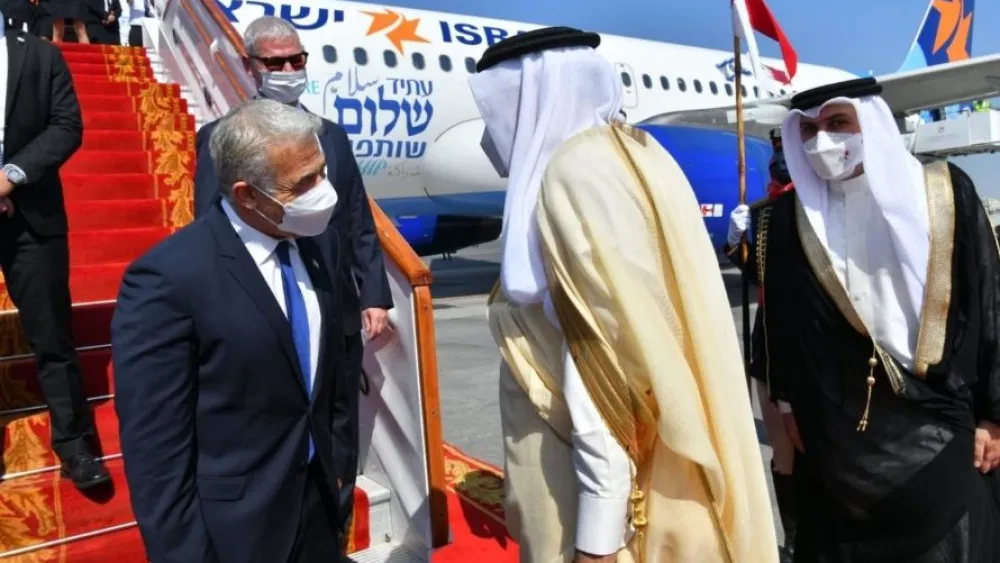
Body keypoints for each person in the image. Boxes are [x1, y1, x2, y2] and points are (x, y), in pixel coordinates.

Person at [473, 27, 778, 563]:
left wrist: (598, 535)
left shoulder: (573, 176)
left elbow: (602, 361)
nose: (488, 134)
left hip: (584, 484)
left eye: (497, 108)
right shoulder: (633, 155)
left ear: (533, 97)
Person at [727, 77, 1000, 562]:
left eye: (837, 123)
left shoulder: (942, 193)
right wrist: (786, 407)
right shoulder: (787, 218)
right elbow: (782, 326)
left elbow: (988, 299)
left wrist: (995, 415)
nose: (821, 141)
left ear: (871, 125)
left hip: (936, 426)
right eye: (808, 130)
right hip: (832, 439)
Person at [113, 99, 350, 563]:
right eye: (303, 182)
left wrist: (338, 463)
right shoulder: (170, 278)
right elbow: (156, 447)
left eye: (321, 171)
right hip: (235, 532)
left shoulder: (322, 242)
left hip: (318, 508)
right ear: (247, 195)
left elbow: (333, 371)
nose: (323, 191)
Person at [192, 15, 392, 535]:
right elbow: (211, 233)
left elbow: (358, 223)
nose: (287, 70)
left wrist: (374, 296)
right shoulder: (220, 140)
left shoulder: (332, 137)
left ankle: (338, 521)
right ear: (250, 66)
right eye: (274, 62)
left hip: (335, 306)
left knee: (340, 419)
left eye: (296, 60)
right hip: (270, 313)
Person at [0, 15, 110, 490]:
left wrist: (10, 177)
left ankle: (75, 445)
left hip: (32, 217)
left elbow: (66, 126)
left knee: (52, 334)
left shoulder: (40, 54)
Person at [724, 127, 797, 563]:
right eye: (776, 153)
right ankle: (797, 539)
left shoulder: (824, 206)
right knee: (783, 456)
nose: (779, 161)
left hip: (816, 346)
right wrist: (737, 243)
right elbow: (757, 275)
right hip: (771, 342)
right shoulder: (764, 212)